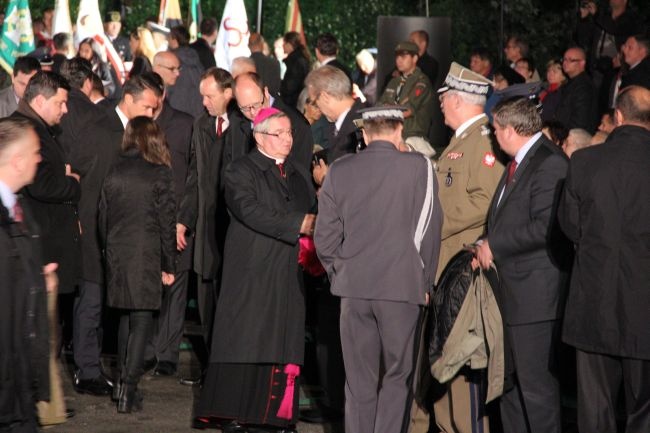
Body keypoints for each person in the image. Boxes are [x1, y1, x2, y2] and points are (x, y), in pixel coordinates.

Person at [315, 105, 442, 433]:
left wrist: (339, 273)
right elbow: (429, 229)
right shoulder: (420, 168)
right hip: (402, 288)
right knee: (397, 378)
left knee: (358, 383)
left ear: (365, 135)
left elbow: (325, 236)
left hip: (353, 289)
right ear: (400, 131)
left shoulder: (340, 170)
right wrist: (425, 281)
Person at [195, 107, 316, 432]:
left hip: (287, 271)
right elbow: (250, 210)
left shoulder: (299, 172)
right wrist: (299, 223)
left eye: (290, 133)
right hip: (252, 270)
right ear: (260, 137)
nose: (288, 140)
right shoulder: (240, 170)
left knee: (282, 340)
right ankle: (234, 412)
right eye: (280, 134)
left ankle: (275, 415)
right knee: (246, 340)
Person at [475, 97, 570, 433]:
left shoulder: (549, 162)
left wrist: (494, 244)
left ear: (511, 130)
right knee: (509, 388)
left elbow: (545, 227)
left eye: (495, 129)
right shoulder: (520, 161)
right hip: (511, 294)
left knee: (537, 392)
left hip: (535, 299)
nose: (492, 135)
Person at [558, 85, 650, 433]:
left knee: (594, 412)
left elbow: (570, 226)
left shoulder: (584, 161)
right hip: (645, 307)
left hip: (593, 302)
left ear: (618, 116)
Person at [70, 73, 163, 396]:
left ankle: (106, 368)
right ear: (129, 99)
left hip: (121, 235)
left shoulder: (130, 131)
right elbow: (76, 173)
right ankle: (88, 370)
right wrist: (80, 219)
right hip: (95, 230)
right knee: (92, 301)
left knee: (111, 305)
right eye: (148, 108)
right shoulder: (100, 128)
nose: (152, 115)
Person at [426, 62, 504, 433]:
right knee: (444, 365)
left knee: (462, 364)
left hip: (462, 271)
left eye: (443, 98)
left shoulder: (485, 141)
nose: (440, 105)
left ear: (457, 100)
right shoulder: (460, 140)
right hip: (445, 266)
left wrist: (430, 218)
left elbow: (485, 202)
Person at [99, 116, 176, 413]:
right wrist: (169, 264)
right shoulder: (160, 174)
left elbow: (102, 218)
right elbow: (167, 223)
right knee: (142, 319)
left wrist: (109, 250)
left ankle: (121, 384)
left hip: (118, 253)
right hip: (147, 255)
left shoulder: (114, 170)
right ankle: (129, 389)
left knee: (125, 319)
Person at [176, 67, 233, 382]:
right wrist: (184, 220)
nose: (204, 102)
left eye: (209, 96)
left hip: (235, 231)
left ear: (228, 93)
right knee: (208, 304)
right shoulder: (200, 125)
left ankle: (229, 373)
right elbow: (194, 178)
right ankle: (213, 371)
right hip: (206, 234)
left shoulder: (246, 125)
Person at [0, 117, 51, 433]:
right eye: (35, 152)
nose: (39, 158)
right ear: (17, 161)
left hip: (19, 386)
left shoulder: (19, 211)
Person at [230, 72, 313, 171]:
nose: (252, 113)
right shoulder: (236, 119)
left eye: (256, 105)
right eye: (245, 108)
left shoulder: (298, 125)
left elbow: (300, 174)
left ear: (265, 92)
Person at [379, 41, 435, 158]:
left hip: (412, 137)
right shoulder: (394, 81)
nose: (399, 60)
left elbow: (407, 111)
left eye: (403, 57)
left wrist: (387, 110)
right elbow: (380, 105)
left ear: (414, 58)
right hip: (391, 135)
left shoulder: (422, 82)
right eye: (397, 57)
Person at [554, 46, 597, 132]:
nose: (565, 63)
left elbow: (580, 121)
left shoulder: (584, 86)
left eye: (571, 60)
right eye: (564, 59)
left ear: (582, 63)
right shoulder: (572, 82)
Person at [167, 26, 205, 118]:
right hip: (197, 110)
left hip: (176, 111)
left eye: (169, 37)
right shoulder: (196, 58)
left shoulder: (171, 61)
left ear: (174, 40)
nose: (167, 40)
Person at [280, 31, 311, 108]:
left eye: (284, 43)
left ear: (290, 44)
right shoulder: (300, 58)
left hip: (293, 104)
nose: (282, 45)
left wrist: (279, 83)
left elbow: (290, 86)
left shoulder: (295, 61)